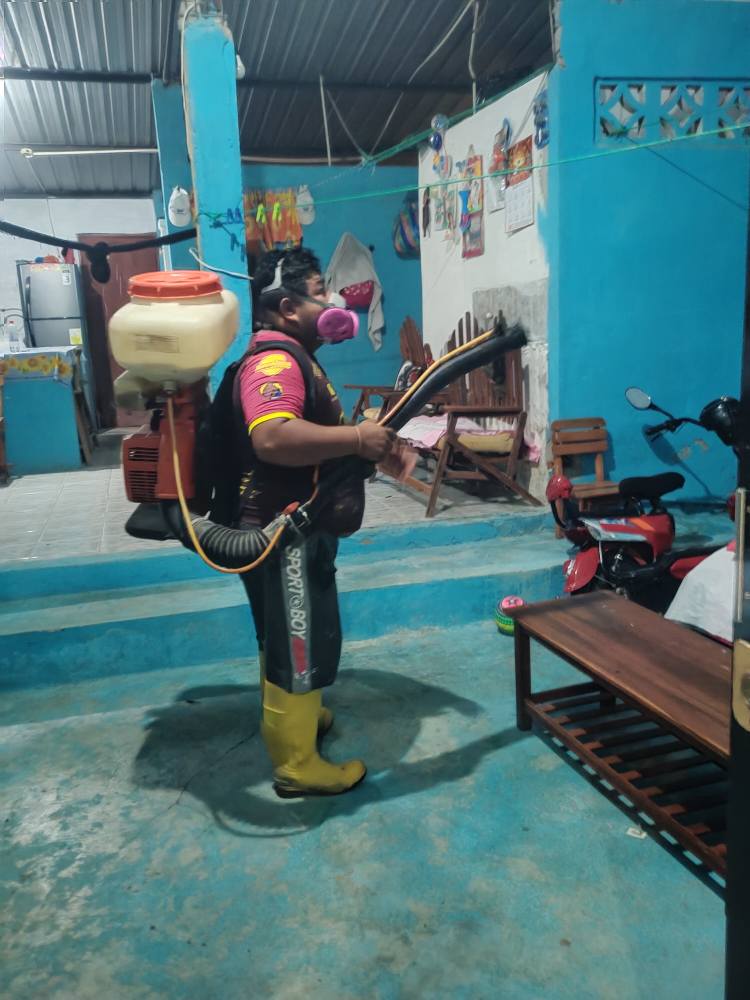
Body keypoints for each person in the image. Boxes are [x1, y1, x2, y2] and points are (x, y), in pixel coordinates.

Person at [237, 247, 395, 798]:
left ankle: (301, 719)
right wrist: (356, 438)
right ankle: (297, 764)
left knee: (286, 635)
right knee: (297, 642)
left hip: (293, 528)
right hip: (286, 534)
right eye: (320, 292)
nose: (333, 301)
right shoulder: (276, 362)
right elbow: (272, 436)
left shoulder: (294, 355)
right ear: (286, 307)